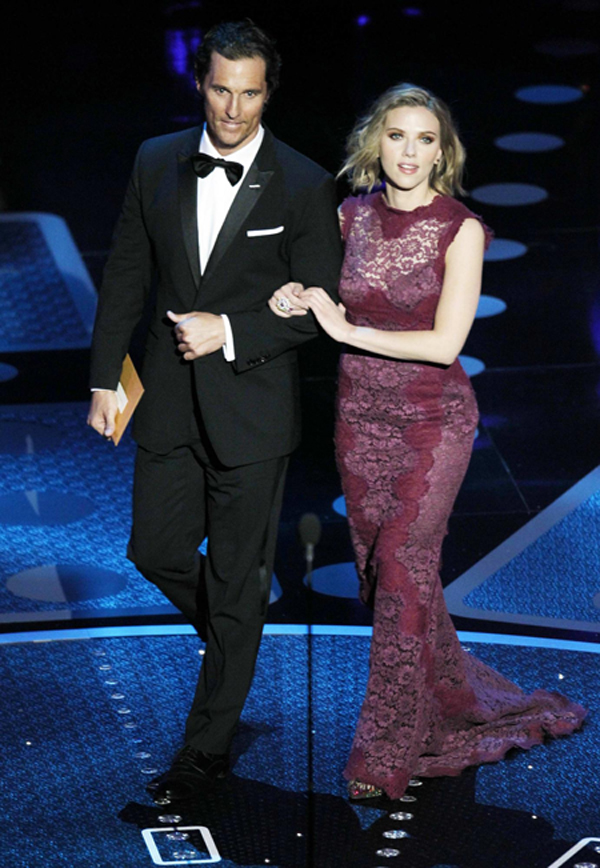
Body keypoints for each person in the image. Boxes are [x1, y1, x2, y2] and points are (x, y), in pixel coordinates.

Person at [270, 83, 586, 800]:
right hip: (359, 420)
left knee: (404, 573)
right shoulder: (349, 215)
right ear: (374, 142)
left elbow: (446, 344)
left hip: (430, 424)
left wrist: (345, 330)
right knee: (387, 581)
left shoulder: (460, 229)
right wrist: (296, 296)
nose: (410, 152)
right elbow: (319, 287)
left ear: (443, 151)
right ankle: (451, 707)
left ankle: (383, 753)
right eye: (397, 136)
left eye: (425, 139)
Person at [87, 20, 342, 803]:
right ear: (200, 83)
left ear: (270, 92)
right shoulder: (155, 159)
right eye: (221, 88)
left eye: (250, 92)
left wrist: (230, 329)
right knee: (154, 550)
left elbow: (324, 310)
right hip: (164, 401)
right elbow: (128, 271)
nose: (233, 109)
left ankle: (204, 750)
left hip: (253, 414)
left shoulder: (301, 180)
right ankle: (237, 636)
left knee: (235, 583)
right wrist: (104, 379)